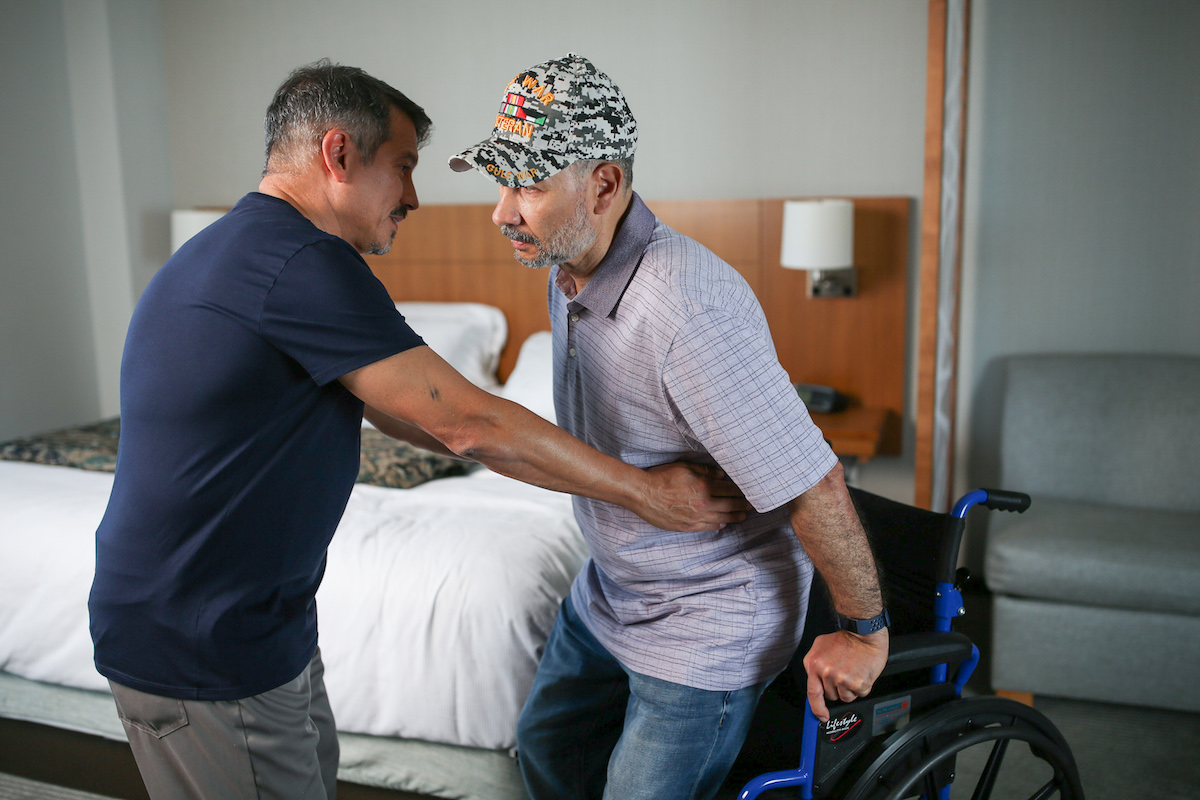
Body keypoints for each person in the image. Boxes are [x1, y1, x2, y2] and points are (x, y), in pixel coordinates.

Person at [88, 59, 748, 800]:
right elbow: (468, 420)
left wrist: (553, 465)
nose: (413, 197)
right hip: (202, 637)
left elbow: (421, 417)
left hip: (245, 619)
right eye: (402, 167)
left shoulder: (244, 247)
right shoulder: (300, 263)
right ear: (339, 155)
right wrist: (643, 492)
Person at [449, 53, 890, 800]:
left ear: (605, 184)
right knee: (543, 747)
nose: (502, 211)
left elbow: (810, 477)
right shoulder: (567, 272)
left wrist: (866, 628)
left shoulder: (688, 309)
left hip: (704, 618)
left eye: (528, 184)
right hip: (613, 589)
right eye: (501, 182)